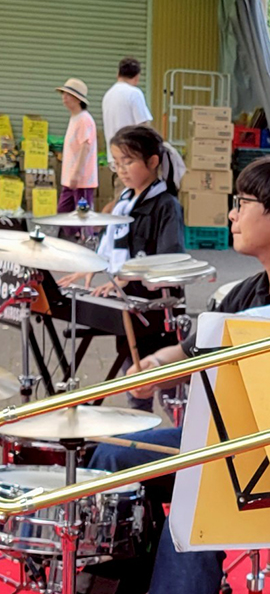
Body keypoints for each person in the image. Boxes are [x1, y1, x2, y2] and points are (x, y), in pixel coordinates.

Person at [85, 154, 270, 594]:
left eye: (243, 202)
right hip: (232, 439)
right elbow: (193, 347)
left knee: (196, 498)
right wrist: (155, 366)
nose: (232, 214)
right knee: (111, 454)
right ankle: (111, 576)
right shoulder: (252, 288)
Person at [58, 125, 185, 410]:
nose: (121, 170)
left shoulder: (166, 205)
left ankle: (181, 434)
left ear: (153, 162)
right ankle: (140, 431)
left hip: (156, 304)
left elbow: (169, 256)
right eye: (117, 163)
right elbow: (110, 245)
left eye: (128, 162)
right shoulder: (124, 202)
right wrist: (88, 269)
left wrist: (126, 279)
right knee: (134, 374)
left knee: (164, 380)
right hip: (128, 301)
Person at [57, 78, 98, 238]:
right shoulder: (75, 118)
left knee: (82, 216)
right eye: (64, 94)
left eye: (68, 94)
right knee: (64, 212)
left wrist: (77, 173)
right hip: (70, 179)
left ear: (77, 99)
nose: (64, 98)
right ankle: (74, 240)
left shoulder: (84, 119)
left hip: (82, 180)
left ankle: (86, 242)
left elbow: (85, 147)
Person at [102, 57, 153, 166]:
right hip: (132, 156)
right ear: (137, 77)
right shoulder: (134, 93)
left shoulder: (108, 95)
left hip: (114, 156)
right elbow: (143, 125)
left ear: (118, 73)